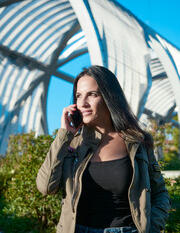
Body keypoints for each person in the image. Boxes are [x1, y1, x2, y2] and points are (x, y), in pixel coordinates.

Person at [36, 65, 171, 233]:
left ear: (109, 97)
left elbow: (160, 194)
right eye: (78, 96)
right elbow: (46, 187)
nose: (83, 103)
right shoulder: (72, 142)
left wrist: (151, 228)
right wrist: (64, 135)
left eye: (92, 94)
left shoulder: (137, 142)